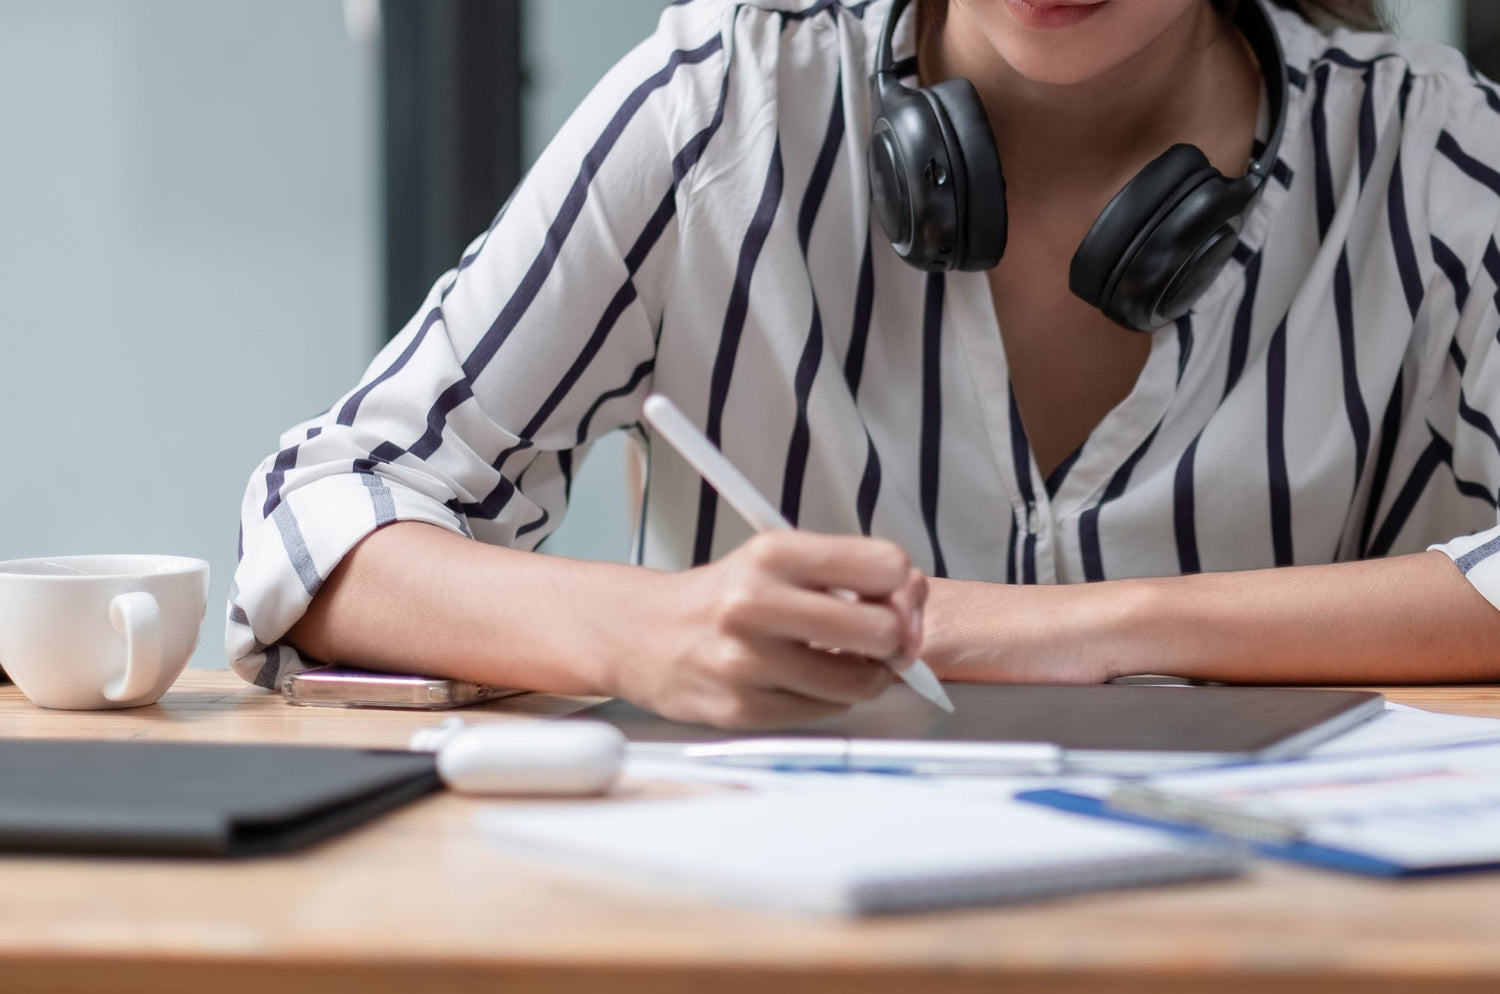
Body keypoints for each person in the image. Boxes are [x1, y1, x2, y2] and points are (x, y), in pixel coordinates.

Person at [229, 0, 1500, 729]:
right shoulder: (721, 108)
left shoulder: (1436, 156)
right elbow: (323, 514)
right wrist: (646, 633)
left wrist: (1073, 631)